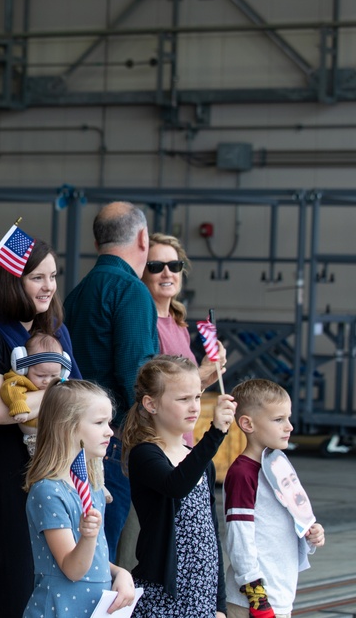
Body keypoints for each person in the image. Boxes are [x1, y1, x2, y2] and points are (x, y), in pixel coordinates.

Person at [0, 239, 83, 618]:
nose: (48, 286)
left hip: (56, 476)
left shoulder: (57, 331)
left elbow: (84, 404)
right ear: (11, 280)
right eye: (36, 277)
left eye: (53, 276)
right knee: (5, 591)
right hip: (4, 480)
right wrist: (63, 394)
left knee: (53, 588)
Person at [63, 201, 158, 561]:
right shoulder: (131, 291)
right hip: (116, 440)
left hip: (78, 436)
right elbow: (137, 375)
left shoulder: (78, 293)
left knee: (84, 547)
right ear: (143, 238)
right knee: (103, 551)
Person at [122, 355, 235, 618]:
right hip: (165, 591)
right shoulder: (146, 454)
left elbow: (212, 534)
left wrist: (219, 604)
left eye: (197, 397)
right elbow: (175, 485)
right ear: (151, 404)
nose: (194, 407)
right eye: (183, 399)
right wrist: (215, 433)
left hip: (202, 590)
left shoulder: (199, 460)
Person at [22, 380, 136, 618]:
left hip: (93, 609)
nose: (109, 430)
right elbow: (73, 569)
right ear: (67, 427)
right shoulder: (48, 491)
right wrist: (88, 535)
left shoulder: (93, 487)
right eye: (99, 422)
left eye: (108, 422)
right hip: (60, 609)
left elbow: (96, 559)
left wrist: (120, 573)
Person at [224, 379, 325, 618]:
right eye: (278, 420)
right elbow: (239, 537)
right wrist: (256, 597)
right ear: (247, 424)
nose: (289, 427)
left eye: (288, 418)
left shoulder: (279, 467)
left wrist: (310, 535)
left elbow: (283, 527)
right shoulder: (242, 473)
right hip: (252, 601)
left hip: (279, 594)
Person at [142, 233, 226, 389]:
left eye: (174, 266)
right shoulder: (143, 323)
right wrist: (202, 371)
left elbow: (183, 395)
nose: (167, 273)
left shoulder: (178, 324)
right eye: (156, 267)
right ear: (141, 273)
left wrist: (204, 381)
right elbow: (153, 389)